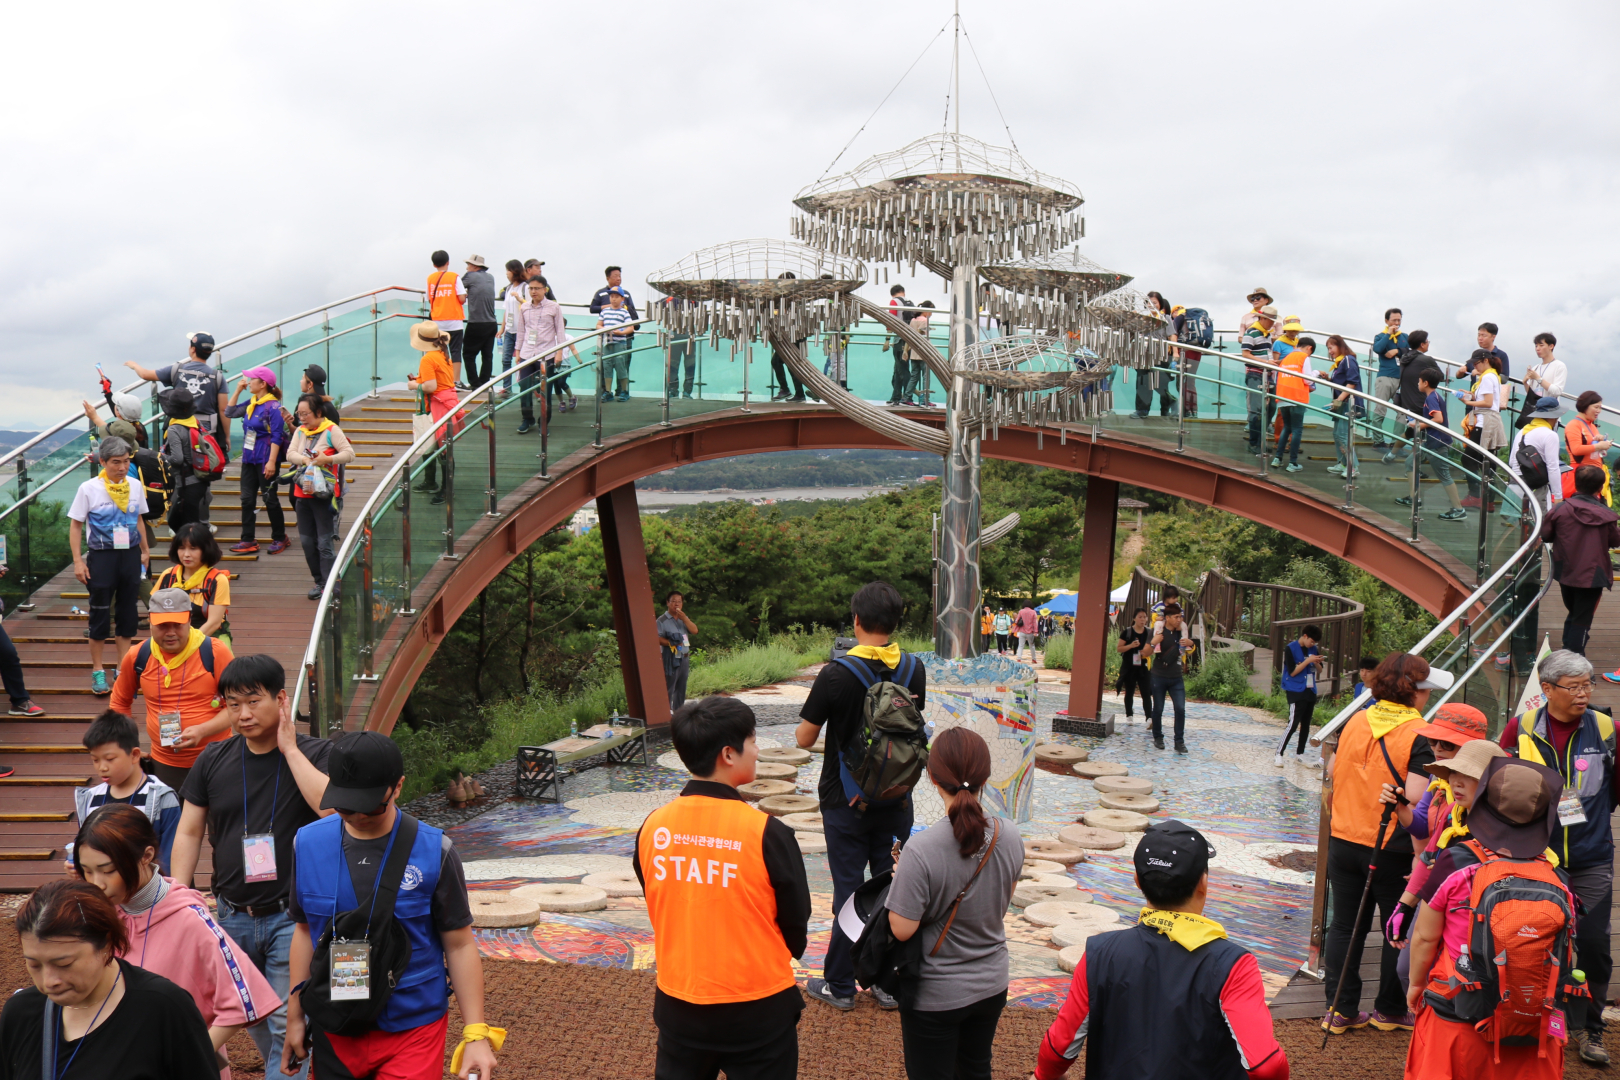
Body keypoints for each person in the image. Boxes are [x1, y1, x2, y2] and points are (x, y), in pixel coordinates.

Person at [283, 730, 501, 1080]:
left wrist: (476, 1032)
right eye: (343, 805)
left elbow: (459, 944)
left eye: (368, 804)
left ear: (397, 786)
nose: (354, 815)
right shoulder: (306, 844)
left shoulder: (436, 852)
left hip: (413, 1026)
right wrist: (295, 1016)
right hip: (336, 1025)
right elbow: (304, 929)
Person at [171, 653, 333, 1080]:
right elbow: (188, 831)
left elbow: (331, 809)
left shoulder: (317, 754)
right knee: (253, 1014)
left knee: (283, 1018)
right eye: (232, 704)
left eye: (253, 701)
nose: (242, 715)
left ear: (280, 699)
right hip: (230, 913)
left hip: (290, 916)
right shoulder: (212, 759)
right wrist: (181, 895)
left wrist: (290, 749)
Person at [634, 696, 810, 1080]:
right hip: (757, 1007)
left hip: (679, 1006)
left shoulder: (653, 827)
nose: (758, 748)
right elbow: (796, 921)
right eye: (752, 740)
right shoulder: (767, 832)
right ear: (729, 754)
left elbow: (659, 896)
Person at [1034, 820, 1287, 1080]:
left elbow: (1060, 1046)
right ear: (1204, 881)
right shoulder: (1234, 966)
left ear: (1136, 880)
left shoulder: (1099, 953)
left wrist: (1044, 1075)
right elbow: (1265, 1066)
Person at [73, 803, 282, 1070]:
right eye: (87, 871)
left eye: (108, 870)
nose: (96, 883)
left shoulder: (190, 920)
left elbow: (244, 1000)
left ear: (146, 855)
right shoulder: (97, 914)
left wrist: (187, 1059)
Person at [796, 581, 925, 1011]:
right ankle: (886, 983)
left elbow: (803, 738)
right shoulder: (912, 669)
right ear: (895, 623)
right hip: (897, 798)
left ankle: (840, 984)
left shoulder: (836, 673)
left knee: (850, 893)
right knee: (894, 886)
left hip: (844, 800)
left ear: (855, 620)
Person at [1403, 752, 1574, 1077]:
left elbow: (1425, 936)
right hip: (1534, 1032)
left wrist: (1415, 985)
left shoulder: (1456, 862)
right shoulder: (1559, 879)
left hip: (1459, 1019)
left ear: (1483, 805)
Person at [1498, 648, 1616, 1063]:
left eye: (1588, 685)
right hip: (1535, 858)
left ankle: (1591, 1030)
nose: (1583, 694)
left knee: (1595, 945)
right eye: (1574, 687)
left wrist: (1595, 822)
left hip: (1591, 856)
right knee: (1535, 942)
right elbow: (1500, 786)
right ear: (1547, 689)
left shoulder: (1606, 728)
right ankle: (1535, 1021)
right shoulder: (1521, 728)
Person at [1320, 652, 1447, 1034]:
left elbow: (1331, 772)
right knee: (1398, 927)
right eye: (1426, 688)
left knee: (1344, 926)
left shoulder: (1356, 720)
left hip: (1343, 839)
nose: (1428, 695)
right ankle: (1390, 1009)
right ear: (1414, 692)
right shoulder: (1420, 734)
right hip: (1390, 847)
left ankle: (1339, 1010)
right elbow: (1415, 804)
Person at [886, 727, 1021, 1080]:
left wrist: (902, 879)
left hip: (936, 991)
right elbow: (998, 902)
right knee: (976, 1069)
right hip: (992, 982)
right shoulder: (1010, 835)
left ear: (931, 777)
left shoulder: (921, 849)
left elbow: (902, 929)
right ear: (986, 778)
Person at [0, 879, 219, 1079]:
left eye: (64, 964)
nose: (48, 981)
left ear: (106, 943)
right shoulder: (21, 1014)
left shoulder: (164, 1008)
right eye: (34, 964)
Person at [1377, 702, 1494, 976]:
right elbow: (1423, 832)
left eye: (1447, 744)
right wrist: (1399, 807)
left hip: (1476, 900)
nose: (1438, 749)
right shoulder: (1438, 780)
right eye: (1433, 741)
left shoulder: (1495, 802)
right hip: (1433, 884)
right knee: (1410, 969)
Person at [109, 588, 235, 791]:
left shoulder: (215, 651)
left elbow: (239, 707)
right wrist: (129, 746)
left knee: (220, 822)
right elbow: (119, 702)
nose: (170, 632)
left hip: (217, 757)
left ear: (189, 621)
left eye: (177, 624)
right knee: (173, 821)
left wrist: (202, 731)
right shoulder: (137, 655)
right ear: (150, 622)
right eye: (162, 625)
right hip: (165, 763)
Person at [68, 435, 150, 696]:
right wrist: (78, 561)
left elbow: (138, 519)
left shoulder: (135, 486)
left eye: (126, 462)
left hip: (130, 555)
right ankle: (97, 670)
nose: (122, 467)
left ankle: (122, 669)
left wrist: (145, 551)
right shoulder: (89, 488)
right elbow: (76, 525)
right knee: (100, 611)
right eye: (116, 462)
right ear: (102, 461)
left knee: (128, 612)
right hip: (101, 556)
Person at [72, 710, 182, 874]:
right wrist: (78, 865)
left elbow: (171, 858)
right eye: (95, 760)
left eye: (110, 759)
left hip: (149, 893)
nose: (102, 767)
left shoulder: (161, 798)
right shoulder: (90, 798)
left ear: (135, 755)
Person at [1538, 465, 1620, 655]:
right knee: (1582, 619)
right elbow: (1615, 541)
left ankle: (1569, 648)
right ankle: (1574, 657)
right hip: (1593, 575)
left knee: (1575, 612)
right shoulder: (1606, 515)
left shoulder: (1560, 509)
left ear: (1576, 483)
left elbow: (1546, 535)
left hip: (1566, 571)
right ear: (1601, 488)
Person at [125, 330, 230, 475]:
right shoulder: (217, 376)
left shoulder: (177, 370)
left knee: (178, 462)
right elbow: (224, 410)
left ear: (193, 349)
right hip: (205, 430)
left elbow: (145, 374)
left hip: (178, 427)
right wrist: (226, 437)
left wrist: (134, 365)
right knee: (203, 463)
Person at [286, 394, 354, 598]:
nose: (301, 418)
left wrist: (327, 458)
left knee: (324, 543)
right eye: (299, 413)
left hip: (323, 496)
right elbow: (290, 454)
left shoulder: (332, 430)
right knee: (307, 543)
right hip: (302, 494)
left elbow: (349, 454)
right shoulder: (300, 431)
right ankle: (320, 582)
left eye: (305, 413)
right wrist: (306, 460)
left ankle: (331, 583)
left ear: (318, 412)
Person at [224, 366, 289, 555]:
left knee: (270, 498)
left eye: (252, 379)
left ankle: (280, 537)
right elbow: (230, 412)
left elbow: (277, 436)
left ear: (263, 384)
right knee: (246, 498)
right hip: (249, 457)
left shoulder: (273, 407)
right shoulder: (252, 401)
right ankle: (248, 539)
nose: (249, 381)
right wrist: (237, 390)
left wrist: (271, 462)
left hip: (266, 457)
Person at [1393, 367, 1468, 521]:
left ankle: (1458, 510)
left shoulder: (1431, 398)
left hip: (1438, 442)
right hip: (1432, 441)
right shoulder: (1435, 396)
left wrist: (1417, 425)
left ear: (1425, 383)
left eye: (1419, 381)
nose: (1417, 384)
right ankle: (1415, 498)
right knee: (1410, 463)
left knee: (1444, 476)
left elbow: (1438, 419)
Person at [514, 274, 577, 434]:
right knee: (524, 387)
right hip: (527, 353)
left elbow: (560, 332)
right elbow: (521, 331)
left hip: (546, 354)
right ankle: (527, 419)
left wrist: (559, 353)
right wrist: (518, 352)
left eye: (537, 288)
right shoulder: (525, 307)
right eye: (531, 289)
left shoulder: (554, 307)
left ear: (545, 289)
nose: (533, 291)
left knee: (545, 390)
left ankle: (544, 422)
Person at [153, 522, 232, 642]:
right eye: (181, 548)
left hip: (209, 636)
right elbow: (154, 615)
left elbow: (213, 623)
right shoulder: (168, 576)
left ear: (206, 550)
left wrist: (187, 644)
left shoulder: (217, 580)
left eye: (193, 549)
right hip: (171, 638)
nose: (186, 555)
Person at [1503, 394, 1566, 525]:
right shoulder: (1550, 435)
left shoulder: (1522, 431)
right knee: (1537, 526)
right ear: (1553, 416)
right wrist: (1558, 497)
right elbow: (1553, 467)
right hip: (1535, 487)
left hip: (1515, 485)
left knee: (1516, 529)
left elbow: (1511, 462)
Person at [1455, 350, 1506, 511]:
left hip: (1484, 423)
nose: (1474, 366)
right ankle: (1488, 500)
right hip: (1490, 422)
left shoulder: (1487, 377)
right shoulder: (1493, 375)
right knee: (1487, 462)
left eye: (1476, 363)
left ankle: (1476, 496)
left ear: (1485, 360)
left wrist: (1467, 402)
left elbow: (1488, 402)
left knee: (1469, 460)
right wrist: (1470, 394)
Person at [159, 387, 214, 531]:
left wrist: (161, 456)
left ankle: (203, 551)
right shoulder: (195, 422)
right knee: (195, 525)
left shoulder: (174, 429)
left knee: (187, 528)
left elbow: (177, 459)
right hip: (201, 479)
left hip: (186, 484)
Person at [1275, 624, 1324, 767]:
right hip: (1295, 689)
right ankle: (1279, 753)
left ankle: (1300, 754)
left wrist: (1317, 662)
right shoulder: (1291, 648)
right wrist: (1308, 661)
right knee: (1293, 723)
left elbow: (1319, 670)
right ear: (1305, 636)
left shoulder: (1313, 649)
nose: (1312, 645)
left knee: (1306, 724)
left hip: (1310, 689)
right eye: (1311, 641)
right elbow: (1292, 671)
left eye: (1315, 643)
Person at [1147, 603, 1194, 753]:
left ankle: (1179, 741)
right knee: (1158, 708)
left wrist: (1191, 644)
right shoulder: (1158, 631)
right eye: (1176, 617)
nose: (1179, 619)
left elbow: (1189, 649)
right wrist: (1153, 643)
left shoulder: (1182, 632)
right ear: (1167, 618)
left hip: (1176, 677)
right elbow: (1145, 652)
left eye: (1180, 616)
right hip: (1159, 676)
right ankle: (1158, 737)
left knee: (1180, 709)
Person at [1270, 332, 1314, 472]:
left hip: (1283, 397)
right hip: (1297, 397)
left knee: (1287, 427)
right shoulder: (1303, 357)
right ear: (1309, 348)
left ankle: (1278, 459)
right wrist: (1317, 373)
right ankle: (1292, 463)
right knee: (1296, 430)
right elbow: (1307, 379)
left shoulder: (1286, 358)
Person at [1132, 291, 1177, 418]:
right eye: (1149, 302)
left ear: (1160, 304)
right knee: (1142, 383)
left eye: (1155, 302)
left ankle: (1171, 401)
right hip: (1144, 355)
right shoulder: (1143, 319)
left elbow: (1172, 335)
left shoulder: (1166, 318)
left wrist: (1175, 353)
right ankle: (1142, 410)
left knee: (1158, 384)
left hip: (1160, 355)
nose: (1152, 305)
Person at [426, 250, 468, 385]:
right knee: (455, 351)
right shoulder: (454, 277)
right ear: (448, 262)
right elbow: (461, 298)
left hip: (437, 321)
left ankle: (440, 380)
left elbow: (429, 298)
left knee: (438, 351)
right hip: (454, 320)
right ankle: (456, 381)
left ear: (434, 265)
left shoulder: (430, 279)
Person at [1565, 390, 1613, 505]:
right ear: (1586, 405)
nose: (1598, 411)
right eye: (1596, 407)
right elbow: (1576, 449)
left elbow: (1592, 447)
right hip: (1582, 476)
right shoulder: (1574, 424)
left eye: (1600, 408)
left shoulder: (1591, 425)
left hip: (1595, 476)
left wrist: (1601, 443)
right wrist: (1598, 446)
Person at [1241, 305, 1277, 455]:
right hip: (1255, 374)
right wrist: (1265, 363)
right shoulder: (1251, 332)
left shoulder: (1266, 334)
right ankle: (1254, 442)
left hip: (1266, 375)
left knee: (1270, 408)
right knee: (1256, 409)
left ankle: (1259, 441)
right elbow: (1245, 354)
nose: (1272, 324)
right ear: (1262, 318)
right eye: (1270, 321)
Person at [1369, 309, 1407, 450]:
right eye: (1394, 320)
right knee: (1380, 410)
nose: (1397, 323)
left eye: (1399, 320)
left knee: (1403, 412)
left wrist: (1398, 351)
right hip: (1385, 377)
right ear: (1386, 321)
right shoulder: (1380, 336)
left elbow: (1412, 351)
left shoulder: (1405, 337)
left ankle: (1395, 442)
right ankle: (1378, 441)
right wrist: (1388, 334)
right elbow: (1378, 349)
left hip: (1401, 379)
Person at [1324, 335, 1361, 479]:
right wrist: (1328, 379)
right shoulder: (1340, 363)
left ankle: (1353, 467)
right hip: (1342, 403)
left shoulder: (1348, 359)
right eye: (1328, 348)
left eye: (1331, 347)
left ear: (1339, 346)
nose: (1330, 351)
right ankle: (1344, 463)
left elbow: (1352, 382)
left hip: (1348, 403)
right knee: (1337, 434)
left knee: (1343, 435)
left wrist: (1338, 400)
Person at [657, 590, 698, 714]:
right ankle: (665, 713)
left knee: (681, 686)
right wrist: (671, 642)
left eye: (679, 602)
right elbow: (657, 638)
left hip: (684, 656)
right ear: (667, 603)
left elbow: (695, 630)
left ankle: (679, 713)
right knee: (670, 685)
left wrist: (685, 618)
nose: (676, 604)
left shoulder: (683, 618)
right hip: (670, 656)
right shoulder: (661, 620)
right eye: (673, 601)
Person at [461, 254, 498, 389]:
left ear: (475, 266)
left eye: (468, 265)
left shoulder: (470, 276)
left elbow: (457, 288)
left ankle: (475, 384)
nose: (467, 267)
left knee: (468, 354)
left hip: (477, 322)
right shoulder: (490, 277)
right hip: (492, 322)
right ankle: (485, 383)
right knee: (487, 355)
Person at [1519, 331, 1567, 428]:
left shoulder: (1559, 366)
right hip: (1535, 413)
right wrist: (1525, 383)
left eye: (1541, 345)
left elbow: (1557, 391)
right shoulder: (1536, 367)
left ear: (1551, 346)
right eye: (1536, 346)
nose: (1538, 349)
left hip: (1550, 415)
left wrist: (1538, 378)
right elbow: (1532, 395)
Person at [597, 287, 637, 402]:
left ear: (622, 298)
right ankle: (608, 392)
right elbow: (598, 325)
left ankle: (625, 391)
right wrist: (604, 329)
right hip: (607, 343)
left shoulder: (624, 312)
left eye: (616, 297)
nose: (613, 299)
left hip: (620, 343)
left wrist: (621, 332)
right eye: (611, 296)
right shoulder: (605, 311)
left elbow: (631, 328)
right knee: (607, 366)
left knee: (621, 367)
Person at [1116, 607, 1152, 719]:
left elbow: (1153, 649)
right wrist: (1130, 646)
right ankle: (1129, 715)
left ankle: (1149, 717)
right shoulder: (1127, 632)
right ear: (1134, 619)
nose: (1143, 619)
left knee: (1146, 692)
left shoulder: (1149, 632)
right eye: (1140, 617)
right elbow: (1119, 648)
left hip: (1143, 666)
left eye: (1144, 617)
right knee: (1129, 691)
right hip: (1129, 667)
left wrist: (1146, 652)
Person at [497, 259, 526, 398]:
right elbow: (506, 310)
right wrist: (502, 328)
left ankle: (525, 388)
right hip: (509, 330)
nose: (507, 273)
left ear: (514, 271)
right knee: (506, 359)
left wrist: (520, 298)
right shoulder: (508, 288)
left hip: (522, 330)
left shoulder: (525, 287)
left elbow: (529, 306)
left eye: (508, 270)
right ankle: (507, 388)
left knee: (522, 360)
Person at [590, 264, 639, 331]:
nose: (618, 278)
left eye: (619, 276)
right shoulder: (601, 293)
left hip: (625, 333)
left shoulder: (626, 294)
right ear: (608, 278)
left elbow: (632, 310)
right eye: (615, 276)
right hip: (606, 331)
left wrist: (624, 307)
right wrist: (610, 306)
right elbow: (592, 308)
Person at [906, 301, 936, 406]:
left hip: (914, 351)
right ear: (927, 310)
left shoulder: (913, 320)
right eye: (931, 312)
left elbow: (909, 335)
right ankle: (925, 399)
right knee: (926, 376)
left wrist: (906, 350)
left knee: (914, 375)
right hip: (923, 352)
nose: (931, 314)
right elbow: (921, 334)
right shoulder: (925, 320)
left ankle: (907, 397)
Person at [887, 285, 910, 406]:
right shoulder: (909, 302)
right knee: (899, 369)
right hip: (908, 340)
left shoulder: (894, 302)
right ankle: (896, 397)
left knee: (901, 369)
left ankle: (907, 397)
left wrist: (887, 339)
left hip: (898, 338)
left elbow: (890, 320)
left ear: (892, 294)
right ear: (903, 292)